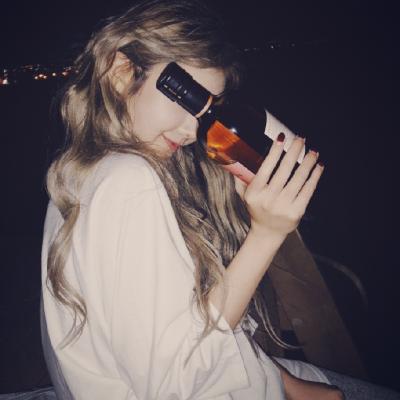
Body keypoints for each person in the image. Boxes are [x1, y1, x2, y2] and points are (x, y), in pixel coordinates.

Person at [40, 1, 400, 399]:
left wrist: (288, 382)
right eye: (183, 99)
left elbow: (177, 329)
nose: (192, 130)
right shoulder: (130, 180)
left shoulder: (77, 172)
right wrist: (266, 234)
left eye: (202, 109)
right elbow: (177, 381)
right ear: (121, 71)